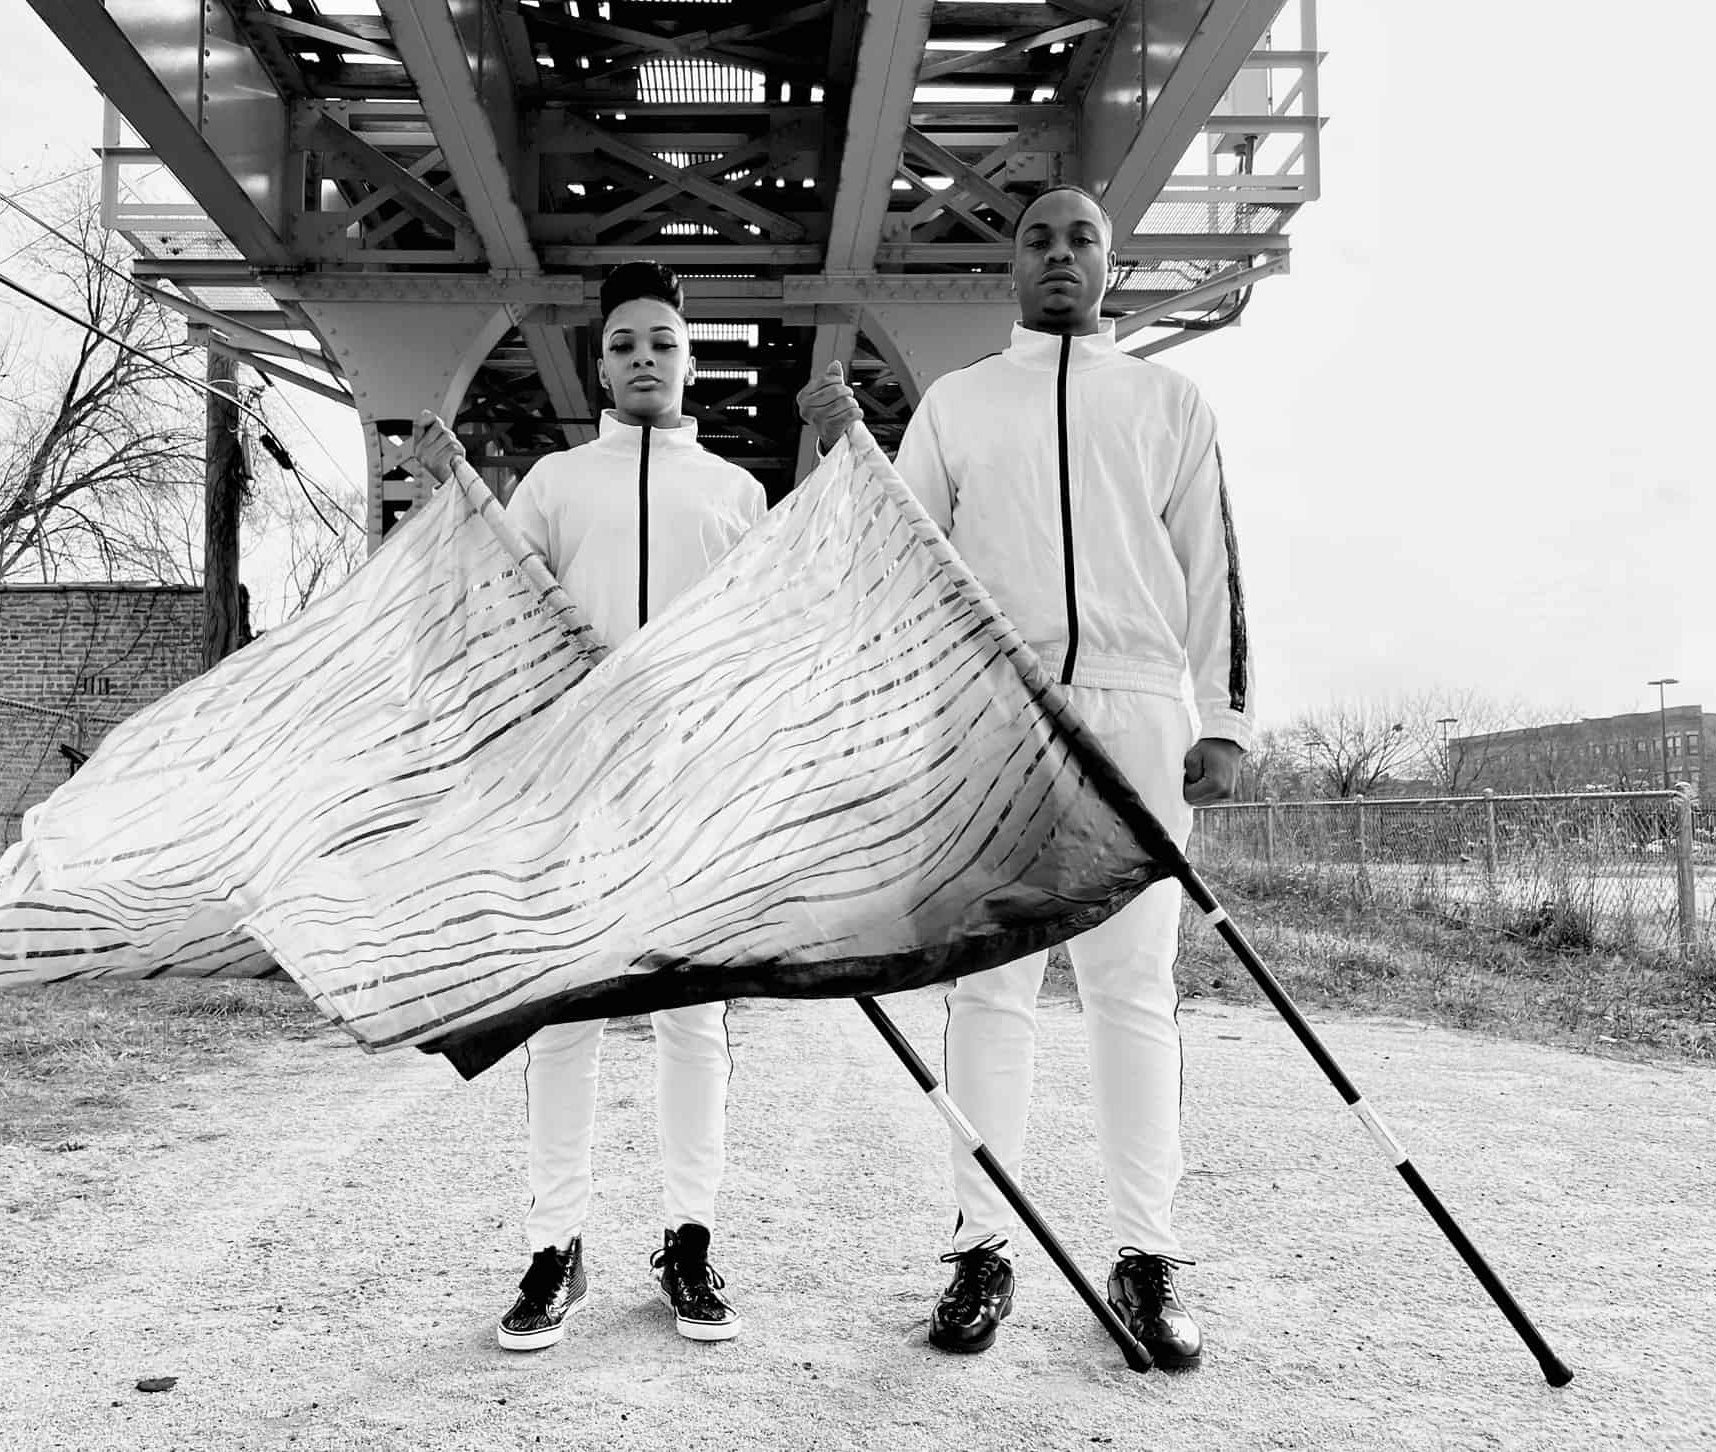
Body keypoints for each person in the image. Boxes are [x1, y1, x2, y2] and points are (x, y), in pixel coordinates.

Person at [796, 183, 1252, 1368]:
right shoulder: (957, 402)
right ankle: (980, 1250)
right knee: (991, 990)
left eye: (1081, 238)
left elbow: (1212, 565)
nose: (1059, 253)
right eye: (1038, 238)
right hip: (997, 714)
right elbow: (899, 556)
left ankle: (1145, 1258)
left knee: (1131, 989)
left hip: (1138, 713)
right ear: (1010, 266)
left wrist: (1225, 717)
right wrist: (848, 455)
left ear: (1111, 262)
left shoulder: (1168, 401)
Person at [407, 262, 768, 1351]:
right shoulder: (556, 484)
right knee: (564, 1018)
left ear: (690, 359)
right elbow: (498, 603)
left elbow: (756, 650)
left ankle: (689, 1244)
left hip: (689, 790)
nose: (643, 357)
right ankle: (553, 1247)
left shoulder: (737, 494)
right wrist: (453, 498)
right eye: (622, 345)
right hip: (577, 786)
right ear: (600, 368)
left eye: (662, 341)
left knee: (691, 1023)